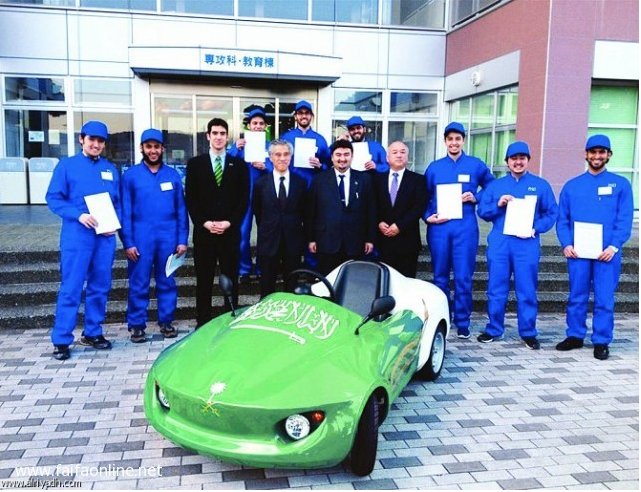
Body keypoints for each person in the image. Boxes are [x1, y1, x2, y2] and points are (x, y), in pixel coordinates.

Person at [45, 121, 120, 360]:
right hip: (77, 236)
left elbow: (117, 202)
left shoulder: (110, 169)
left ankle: (93, 332)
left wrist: (114, 223)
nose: (96, 145)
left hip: (104, 238)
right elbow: (54, 198)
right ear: (81, 139)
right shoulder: (66, 166)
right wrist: (79, 215)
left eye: (100, 141)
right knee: (72, 287)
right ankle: (61, 339)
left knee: (100, 286)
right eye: (91, 140)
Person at [555, 134, 634, 360]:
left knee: (604, 297)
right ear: (586, 154)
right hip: (578, 252)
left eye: (602, 152)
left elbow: (624, 219)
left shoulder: (620, 185)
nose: (597, 156)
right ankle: (575, 335)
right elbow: (563, 219)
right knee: (577, 295)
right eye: (593, 152)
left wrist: (614, 246)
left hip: (606, 253)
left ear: (609, 155)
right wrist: (566, 244)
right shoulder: (572, 186)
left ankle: (601, 340)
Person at [476, 141, 558, 349]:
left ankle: (528, 332)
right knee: (496, 289)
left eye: (522, 158)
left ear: (528, 160)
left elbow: (551, 213)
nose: (518, 162)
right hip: (500, 244)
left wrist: (536, 228)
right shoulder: (496, 186)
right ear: (507, 162)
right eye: (514, 158)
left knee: (527, 289)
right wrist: (498, 204)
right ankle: (494, 328)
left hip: (526, 244)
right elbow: (482, 211)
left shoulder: (540, 185)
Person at [424, 121, 494, 339]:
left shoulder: (475, 165)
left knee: (463, 277)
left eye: (458, 139)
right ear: (445, 141)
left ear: (463, 140)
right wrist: (427, 216)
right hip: (440, 229)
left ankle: (463, 321)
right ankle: (443, 317)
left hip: (465, 228)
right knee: (440, 277)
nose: (454, 143)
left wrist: (477, 197)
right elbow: (423, 197)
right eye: (450, 139)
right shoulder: (434, 167)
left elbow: (492, 185)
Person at [120, 128, 189, 342]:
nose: (153, 150)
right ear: (141, 148)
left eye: (156, 147)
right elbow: (125, 212)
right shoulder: (130, 176)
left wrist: (182, 240)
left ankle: (166, 321)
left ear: (162, 148)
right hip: (140, 237)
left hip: (168, 237)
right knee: (139, 282)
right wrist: (128, 242)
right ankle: (136, 324)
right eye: (148, 146)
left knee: (167, 281)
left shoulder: (172, 175)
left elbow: (181, 210)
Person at [185, 118, 249, 327]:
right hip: (205, 233)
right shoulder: (195, 164)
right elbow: (191, 199)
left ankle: (230, 319)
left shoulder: (239, 165)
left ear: (227, 137)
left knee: (231, 279)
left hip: (229, 233)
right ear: (208, 136)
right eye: (215, 133)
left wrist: (230, 222)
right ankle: (203, 321)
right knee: (204, 280)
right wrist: (204, 223)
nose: (219, 137)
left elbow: (243, 200)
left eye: (222, 133)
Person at [306, 139, 377, 275]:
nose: (342, 159)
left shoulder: (364, 179)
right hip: (326, 241)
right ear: (332, 157)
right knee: (328, 281)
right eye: (338, 155)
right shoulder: (319, 180)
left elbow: (371, 212)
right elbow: (311, 212)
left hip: (356, 242)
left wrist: (370, 239)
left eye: (346, 154)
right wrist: (311, 239)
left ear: (352, 156)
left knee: (353, 281)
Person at [253, 140, 307, 298]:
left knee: (291, 286)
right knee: (267, 286)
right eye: (278, 154)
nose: (282, 158)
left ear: (290, 157)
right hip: (269, 241)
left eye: (286, 154)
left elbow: (305, 211)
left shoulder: (300, 183)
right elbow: (258, 212)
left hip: (293, 241)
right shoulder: (261, 184)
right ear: (271, 157)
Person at [228, 107, 274, 281]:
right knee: (242, 234)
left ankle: (263, 269)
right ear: (249, 125)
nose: (258, 126)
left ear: (265, 126)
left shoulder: (271, 147)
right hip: (244, 196)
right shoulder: (241, 145)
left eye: (261, 123)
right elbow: (228, 163)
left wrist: (266, 167)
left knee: (265, 234)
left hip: (265, 196)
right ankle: (244, 269)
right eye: (255, 123)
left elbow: (279, 168)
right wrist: (235, 148)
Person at [374, 141, 427, 277]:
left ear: (407, 157)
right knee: (385, 280)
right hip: (383, 240)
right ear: (387, 158)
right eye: (395, 152)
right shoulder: (377, 180)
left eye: (402, 152)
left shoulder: (418, 180)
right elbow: (373, 205)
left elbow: (419, 207)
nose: (399, 155)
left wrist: (400, 225)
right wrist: (379, 222)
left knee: (407, 281)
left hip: (407, 241)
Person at [281, 100, 330, 187]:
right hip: (290, 186)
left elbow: (329, 164)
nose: (304, 116)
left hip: (312, 185)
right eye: (300, 113)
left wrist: (320, 165)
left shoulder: (320, 140)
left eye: (307, 113)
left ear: (312, 116)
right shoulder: (286, 138)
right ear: (295, 116)